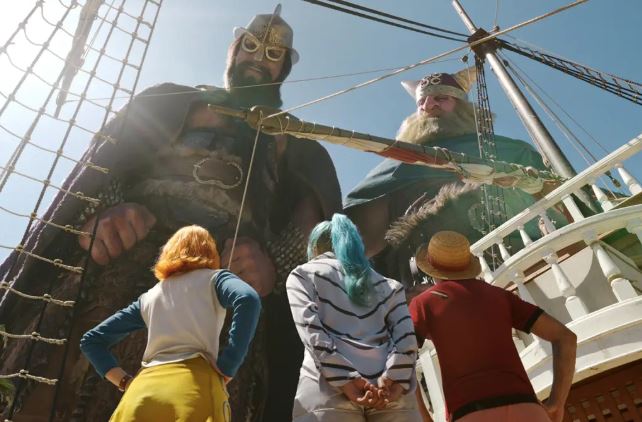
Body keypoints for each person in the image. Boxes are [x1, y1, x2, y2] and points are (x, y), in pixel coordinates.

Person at [0, 5, 341, 421]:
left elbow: (314, 241)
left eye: (273, 54)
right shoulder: (174, 102)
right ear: (233, 50)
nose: (258, 58)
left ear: (284, 68)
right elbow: (105, 168)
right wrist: (103, 213)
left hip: (221, 285)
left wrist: (271, 268)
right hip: (123, 259)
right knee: (49, 388)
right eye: (251, 46)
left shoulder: (294, 144)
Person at [345, 66, 566, 290]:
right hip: (433, 282)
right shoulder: (400, 162)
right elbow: (357, 241)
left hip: (534, 267)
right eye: (421, 102)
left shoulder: (511, 150)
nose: (428, 106)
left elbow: (559, 202)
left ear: (461, 106)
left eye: (441, 98)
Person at [80, 225, 261, 421]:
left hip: (141, 392)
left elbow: (91, 341)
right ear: (210, 251)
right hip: (193, 387)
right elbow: (248, 298)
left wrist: (125, 382)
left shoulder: (149, 297)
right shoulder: (215, 280)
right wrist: (229, 364)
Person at [409, 231, 577, 422]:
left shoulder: (424, 303)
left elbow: (403, 361)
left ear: (431, 269)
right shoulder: (499, 296)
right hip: (527, 408)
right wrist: (556, 403)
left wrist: (425, 418)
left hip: (470, 412)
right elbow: (566, 338)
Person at [286, 213, 421, 421]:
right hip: (391, 395)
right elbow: (407, 342)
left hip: (326, 395)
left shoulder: (302, 275)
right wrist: (393, 381)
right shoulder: (390, 286)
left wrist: (348, 381)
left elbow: (313, 335)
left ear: (314, 247)